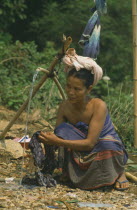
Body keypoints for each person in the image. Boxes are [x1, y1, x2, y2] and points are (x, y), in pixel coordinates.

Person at [38, 48, 129, 191]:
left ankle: (118, 173)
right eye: (68, 86)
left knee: (108, 145)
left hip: (99, 146)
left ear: (89, 89)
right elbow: (59, 136)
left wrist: (57, 141)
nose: (70, 92)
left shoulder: (98, 105)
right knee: (62, 130)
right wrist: (46, 139)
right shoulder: (64, 107)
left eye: (77, 89)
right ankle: (71, 172)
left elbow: (90, 144)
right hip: (79, 147)